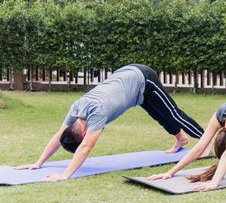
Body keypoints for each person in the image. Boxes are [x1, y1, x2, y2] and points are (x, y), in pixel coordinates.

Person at [15, 64, 205, 181]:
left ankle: (207, 139)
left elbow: (86, 146)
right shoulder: (76, 108)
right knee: (160, 115)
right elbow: (59, 135)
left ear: (81, 134)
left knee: (174, 114)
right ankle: (180, 139)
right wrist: (38, 162)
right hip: (133, 89)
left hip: (142, 78)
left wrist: (65, 175)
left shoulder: (96, 112)